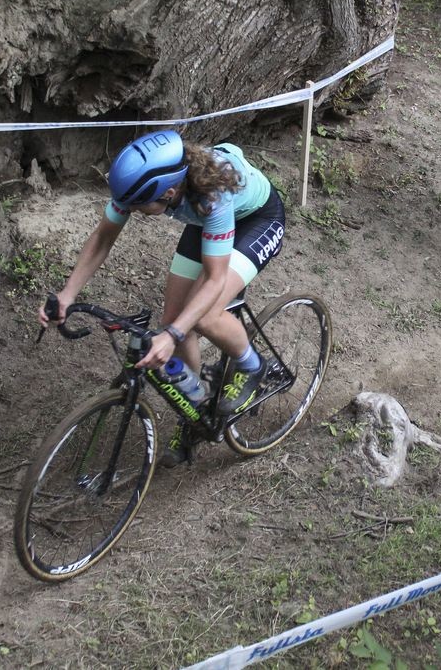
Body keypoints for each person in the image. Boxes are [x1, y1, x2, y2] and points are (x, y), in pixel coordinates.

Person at [38, 129, 286, 465]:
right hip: (206, 224)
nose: (133, 211)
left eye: (139, 206)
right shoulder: (148, 186)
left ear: (169, 192)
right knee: (174, 318)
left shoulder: (212, 193)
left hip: (256, 220)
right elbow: (102, 239)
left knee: (203, 315)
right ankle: (197, 409)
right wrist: (66, 295)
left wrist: (173, 336)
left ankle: (252, 366)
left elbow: (214, 280)